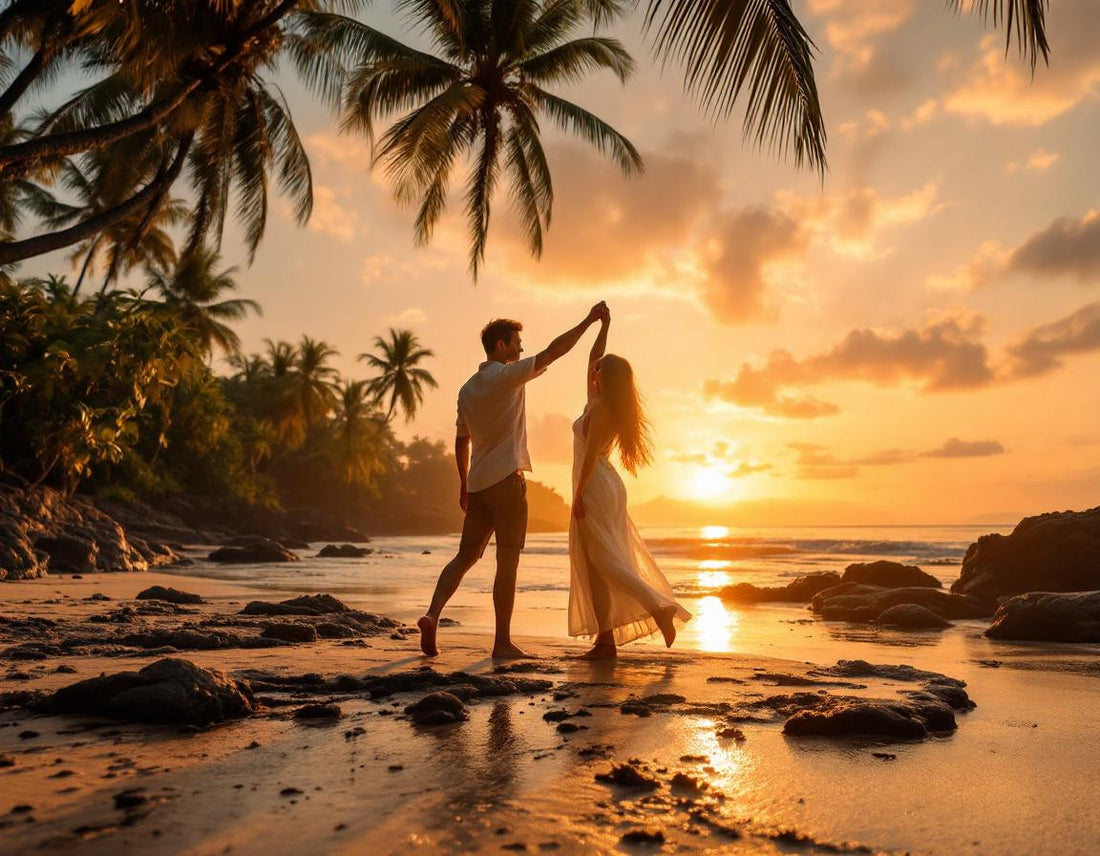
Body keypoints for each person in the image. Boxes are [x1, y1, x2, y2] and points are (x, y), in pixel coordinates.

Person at [418, 303, 608, 659]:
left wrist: (463, 483)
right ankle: (501, 642)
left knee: (464, 556)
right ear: (502, 346)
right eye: (517, 342)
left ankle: (432, 615)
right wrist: (588, 320)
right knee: (507, 563)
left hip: (477, 485)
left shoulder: (467, 389)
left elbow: (461, 440)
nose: (521, 348)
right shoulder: (506, 375)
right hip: (507, 481)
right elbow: (553, 351)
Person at [569, 304, 690, 659]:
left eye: (600, 369)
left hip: (594, 484)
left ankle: (658, 607)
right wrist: (600, 323)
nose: (594, 370)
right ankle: (605, 640)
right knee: (594, 564)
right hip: (602, 483)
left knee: (604, 562)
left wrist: (577, 495)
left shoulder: (603, 408)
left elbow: (590, 455)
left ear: (608, 378)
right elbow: (593, 357)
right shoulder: (598, 399)